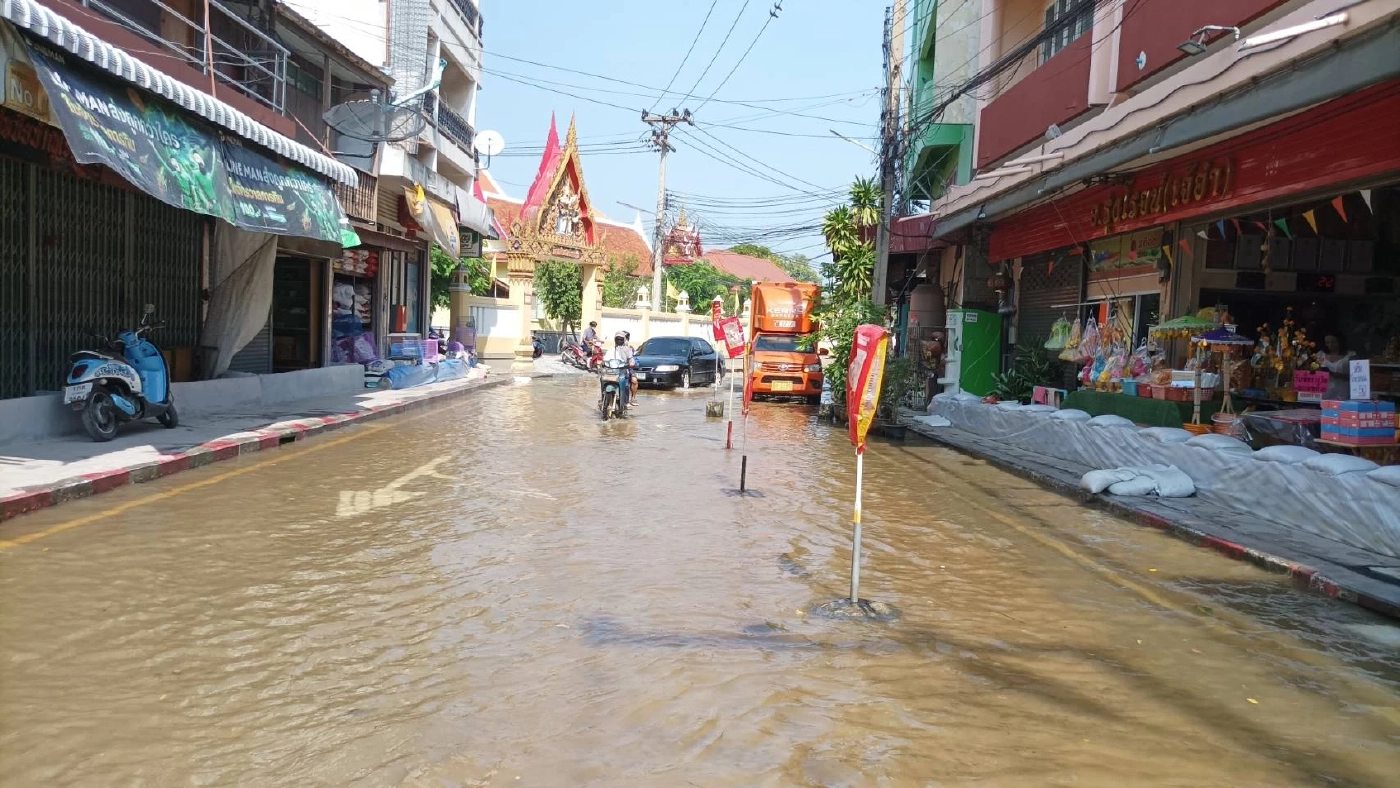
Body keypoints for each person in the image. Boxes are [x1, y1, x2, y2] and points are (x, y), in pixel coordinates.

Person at [604, 332, 636, 408]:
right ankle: (603, 398)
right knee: (603, 380)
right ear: (615, 340)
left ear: (624, 340)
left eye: (621, 339)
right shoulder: (611, 349)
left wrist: (631, 364)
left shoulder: (627, 349)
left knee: (626, 385)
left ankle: (626, 402)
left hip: (623, 371)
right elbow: (605, 359)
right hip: (611, 371)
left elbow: (631, 359)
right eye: (617, 339)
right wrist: (601, 362)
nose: (619, 341)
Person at [1318, 334, 1355, 400]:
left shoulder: (1350, 355)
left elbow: (1356, 376)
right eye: (1327, 342)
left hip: (1343, 391)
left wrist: (1332, 374)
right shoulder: (1320, 355)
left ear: (1340, 342)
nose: (1330, 345)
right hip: (1324, 392)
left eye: (1333, 342)